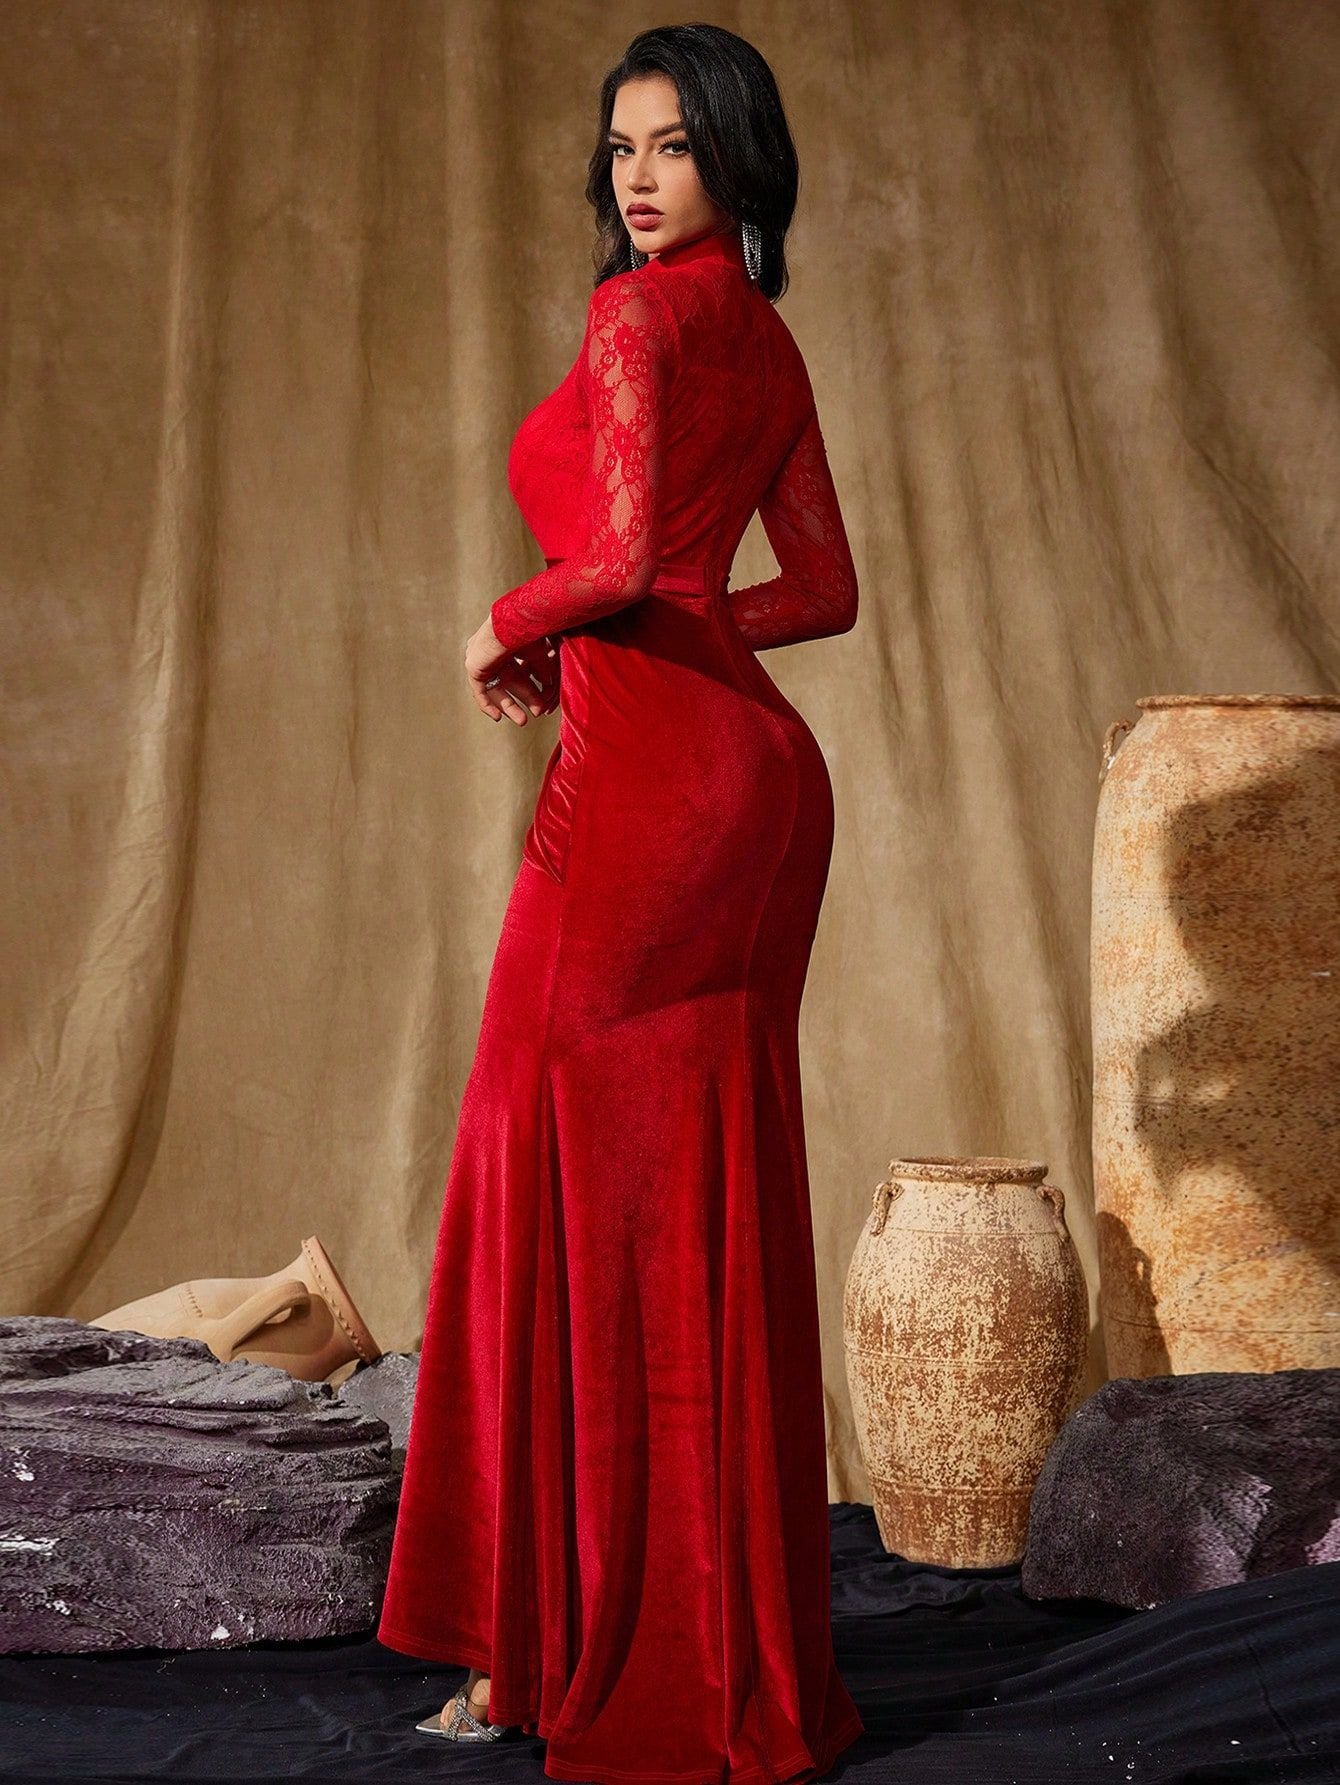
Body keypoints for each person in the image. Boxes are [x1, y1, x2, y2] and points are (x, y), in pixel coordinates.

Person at [376, 22, 863, 1785]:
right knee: (677, 1190)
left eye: (671, 145)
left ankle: (543, 1655)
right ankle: (673, 1637)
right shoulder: (768, 340)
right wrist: (663, 630)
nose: (640, 176)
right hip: (757, 783)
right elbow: (819, 589)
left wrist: (504, 625)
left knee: (548, 1182)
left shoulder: (640, 323)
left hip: (650, 794)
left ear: (736, 155)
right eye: (622, 148)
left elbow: (626, 551)